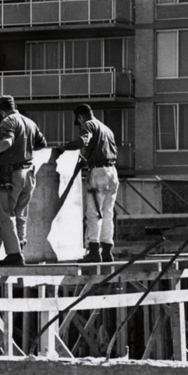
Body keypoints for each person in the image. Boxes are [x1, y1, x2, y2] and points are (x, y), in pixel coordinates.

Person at [0, 95, 47, 266]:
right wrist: (24, 147)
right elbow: (42, 143)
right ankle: (20, 248)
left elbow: (7, 142)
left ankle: (14, 254)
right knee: (20, 214)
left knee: (5, 215)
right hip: (29, 174)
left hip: (12, 175)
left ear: (1, 110)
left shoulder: (7, 121)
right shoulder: (30, 122)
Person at [52, 103, 119, 263]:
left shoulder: (89, 125)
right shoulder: (106, 129)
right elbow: (103, 151)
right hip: (113, 173)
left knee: (93, 213)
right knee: (107, 213)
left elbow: (84, 140)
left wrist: (65, 148)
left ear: (81, 116)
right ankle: (107, 251)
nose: (80, 124)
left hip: (98, 173)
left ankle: (94, 250)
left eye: (79, 121)